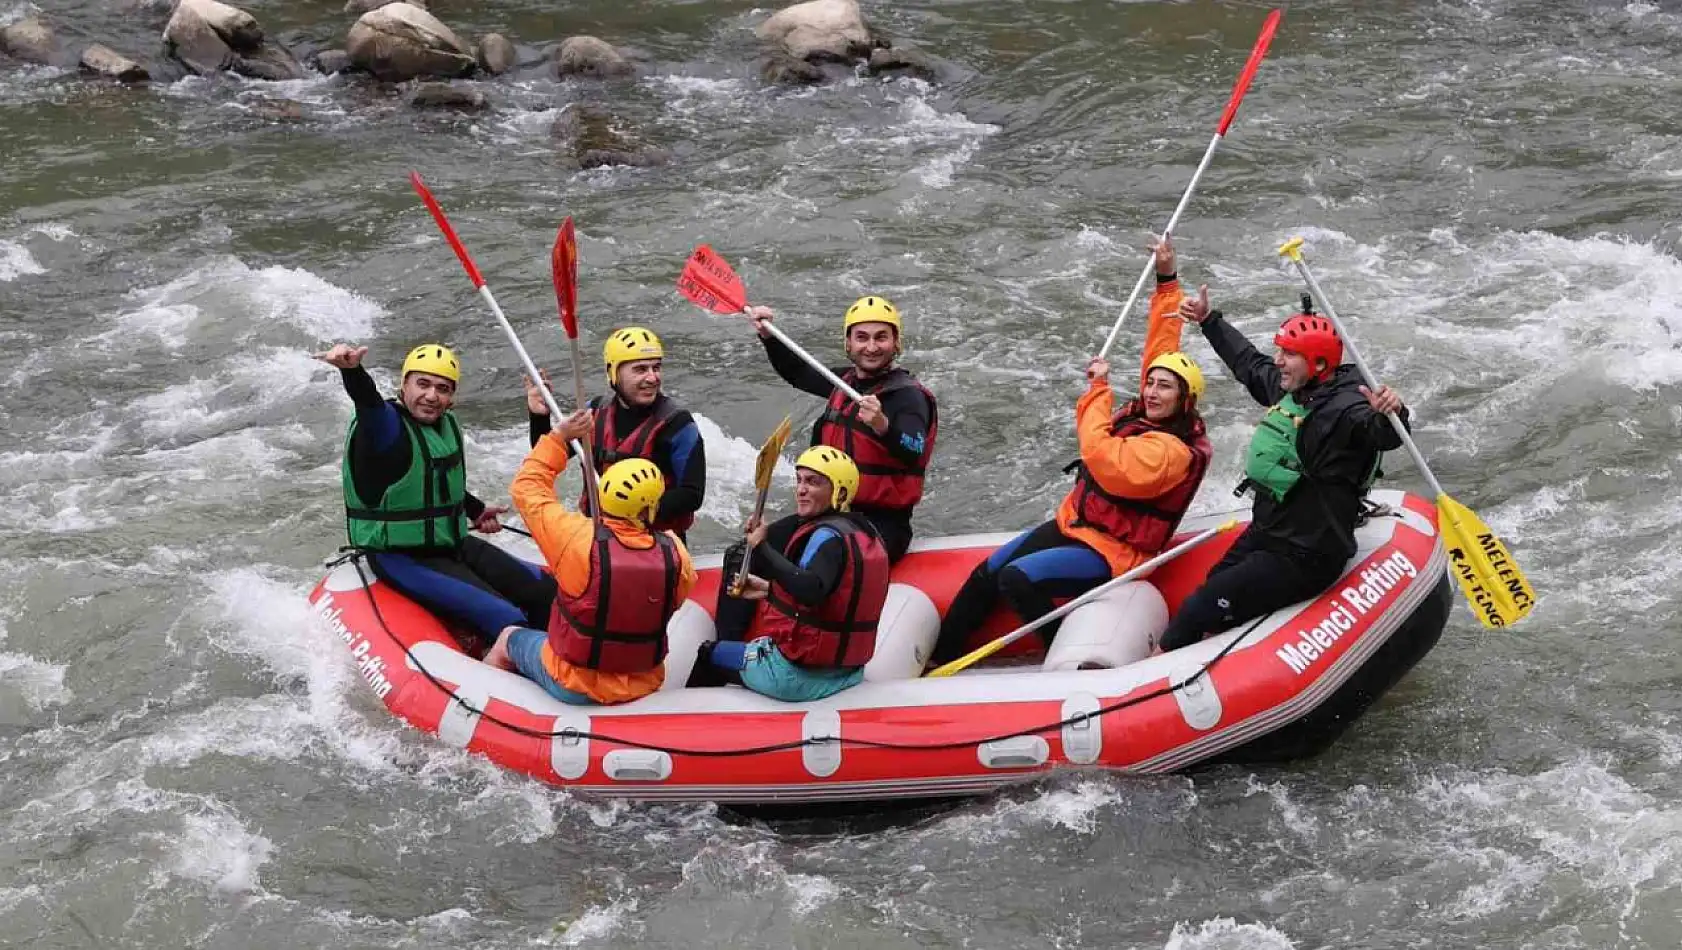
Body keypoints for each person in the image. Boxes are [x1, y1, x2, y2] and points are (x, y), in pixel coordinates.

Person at [926, 237, 1211, 668]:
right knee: (987, 573)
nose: (1151, 391)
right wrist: (1166, 277)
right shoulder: (1155, 413)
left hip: (1115, 551)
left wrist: (1098, 390)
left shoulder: (1171, 452)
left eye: (1164, 386)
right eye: (1150, 383)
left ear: (1184, 400)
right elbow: (1163, 345)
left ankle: (1061, 657)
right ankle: (936, 662)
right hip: (1075, 524)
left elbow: (1103, 458)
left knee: (1017, 578)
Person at [1157, 289, 1409, 651]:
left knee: (1198, 608)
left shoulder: (1347, 409)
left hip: (1307, 555)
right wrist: (1209, 321)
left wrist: (1394, 412)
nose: (1278, 361)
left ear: (1319, 364)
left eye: (1288, 354)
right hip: (1268, 533)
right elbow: (1249, 364)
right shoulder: (1296, 387)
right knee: (1213, 588)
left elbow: (1382, 433)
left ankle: (1150, 671)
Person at [317, 342, 556, 645]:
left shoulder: (444, 425)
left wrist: (475, 510)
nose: (432, 396)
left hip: (450, 544)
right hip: (400, 556)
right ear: (404, 385)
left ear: (452, 398)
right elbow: (368, 404)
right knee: (504, 617)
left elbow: (434, 479)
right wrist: (353, 371)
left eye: (443, 388)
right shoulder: (385, 428)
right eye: (423, 384)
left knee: (547, 593)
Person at [487, 413, 697, 705]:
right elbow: (671, 600)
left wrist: (558, 437)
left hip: (573, 682)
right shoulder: (677, 553)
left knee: (509, 637)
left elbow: (526, 489)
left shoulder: (576, 539)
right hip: (642, 685)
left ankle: (495, 711)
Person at [742, 296, 936, 562]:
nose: (871, 347)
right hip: (830, 513)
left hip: (882, 524)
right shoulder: (843, 382)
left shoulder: (908, 397)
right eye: (861, 337)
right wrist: (768, 337)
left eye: (881, 337)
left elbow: (915, 449)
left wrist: (882, 424)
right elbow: (797, 372)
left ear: (896, 343)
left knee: (821, 562)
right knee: (745, 554)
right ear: (848, 343)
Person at [692, 447, 889, 701]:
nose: (801, 490)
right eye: (800, 481)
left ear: (839, 491)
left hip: (798, 677)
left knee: (711, 654)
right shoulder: (865, 533)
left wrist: (760, 547)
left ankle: (684, 727)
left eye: (813, 482)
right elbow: (829, 599)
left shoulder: (826, 538)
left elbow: (810, 590)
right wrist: (768, 590)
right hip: (849, 671)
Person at [527, 327, 706, 541]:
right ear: (614, 374)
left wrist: (629, 511)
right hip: (600, 537)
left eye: (656, 368)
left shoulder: (677, 425)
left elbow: (692, 494)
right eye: (640, 369)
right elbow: (546, 455)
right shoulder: (595, 413)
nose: (652, 378)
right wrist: (539, 417)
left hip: (655, 542)